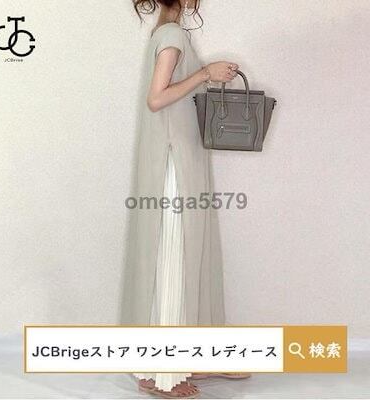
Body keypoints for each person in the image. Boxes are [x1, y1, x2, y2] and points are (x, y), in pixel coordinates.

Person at [120, 0, 251, 397]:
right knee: (176, 258)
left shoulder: (168, 33)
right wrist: (205, 73)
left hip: (180, 161)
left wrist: (204, 74)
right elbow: (156, 98)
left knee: (188, 257)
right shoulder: (172, 35)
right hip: (173, 167)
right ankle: (162, 371)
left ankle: (193, 357)